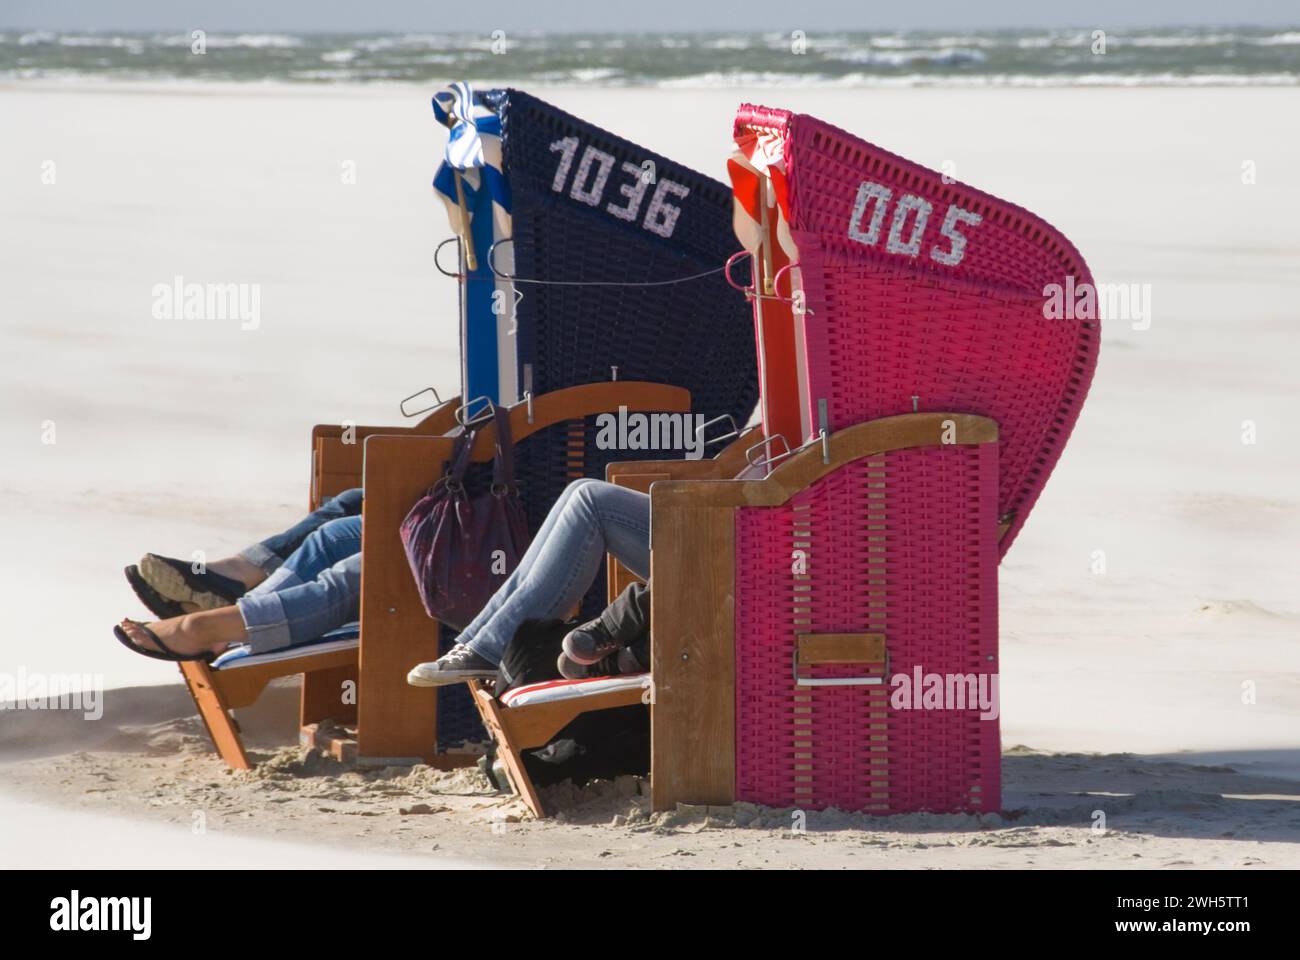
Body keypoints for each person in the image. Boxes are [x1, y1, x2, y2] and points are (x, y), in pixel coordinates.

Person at [406, 478, 649, 686]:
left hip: (687, 546)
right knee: (580, 487)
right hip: (685, 524)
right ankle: (479, 638)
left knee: (592, 499)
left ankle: (495, 646)